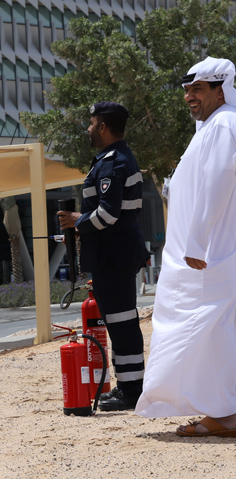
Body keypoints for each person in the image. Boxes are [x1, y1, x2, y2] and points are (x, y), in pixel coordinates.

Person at [136, 57, 236, 436]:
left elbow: (218, 183)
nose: (188, 97)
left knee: (209, 331)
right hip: (207, 255)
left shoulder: (223, 124)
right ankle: (223, 411)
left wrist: (197, 241)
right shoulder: (214, 125)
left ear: (220, 90)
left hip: (208, 257)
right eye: (186, 90)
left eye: (197, 89)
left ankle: (224, 414)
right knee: (211, 331)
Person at [56, 101, 149, 412]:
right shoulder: (115, 158)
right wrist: (81, 224)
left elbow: (108, 215)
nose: (89, 129)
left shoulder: (112, 163)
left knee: (122, 323)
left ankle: (131, 391)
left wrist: (77, 221)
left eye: (92, 123)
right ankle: (128, 387)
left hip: (114, 256)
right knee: (120, 323)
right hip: (114, 254)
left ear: (104, 127)